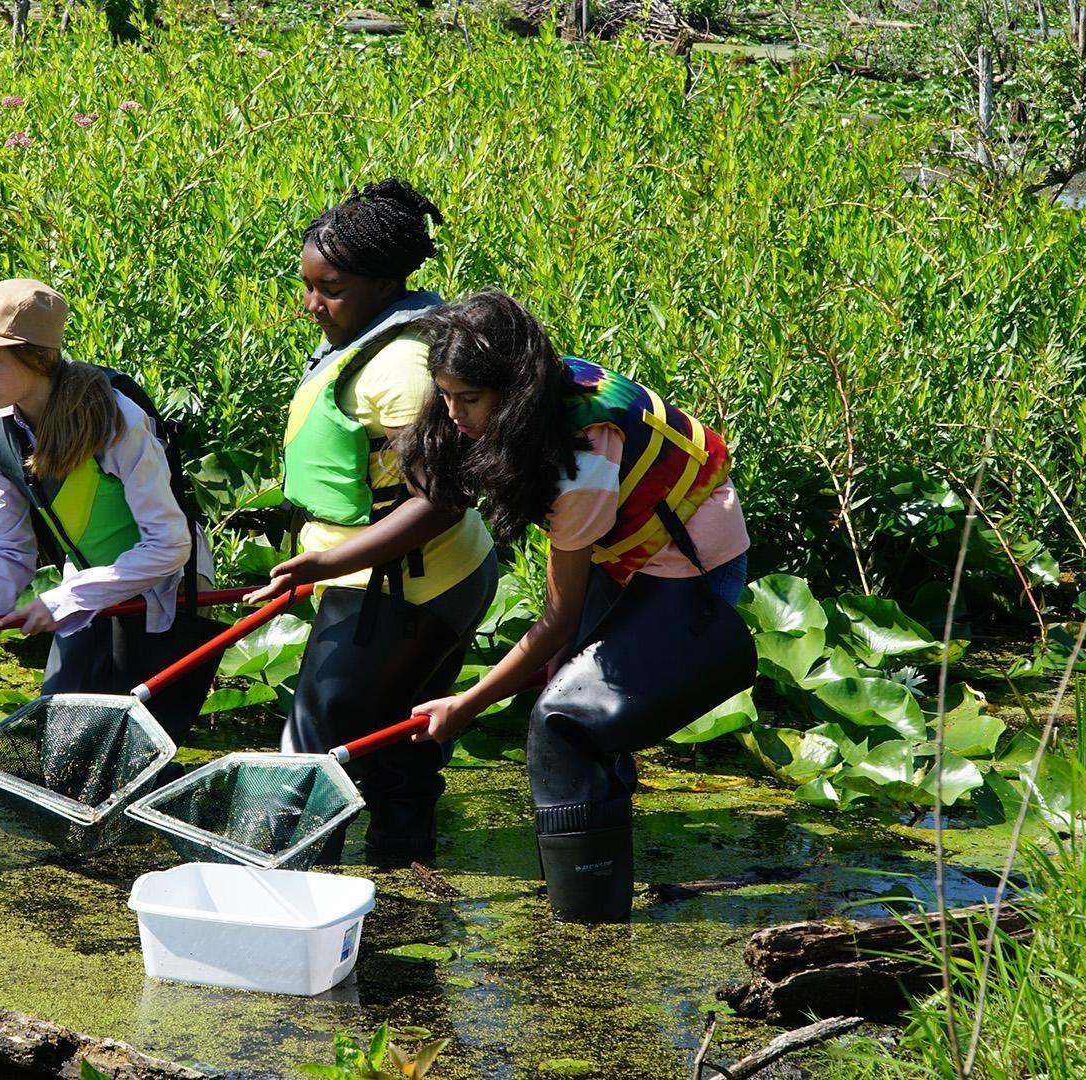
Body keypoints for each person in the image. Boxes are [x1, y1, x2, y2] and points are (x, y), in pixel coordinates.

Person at [302, 290, 756, 922]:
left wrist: (467, 703)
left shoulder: (579, 461)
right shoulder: (517, 394)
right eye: (447, 396)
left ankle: (589, 927)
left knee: (567, 721)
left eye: (471, 400)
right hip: (616, 549)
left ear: (512, 392)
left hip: (684, 564)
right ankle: (584, 886)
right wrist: (326, 563)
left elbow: (556, 620)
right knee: (577, 703)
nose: (455, 414)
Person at [248, 180, 499, 869]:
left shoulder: (407, 370)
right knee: (397, 747)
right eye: (305, 284)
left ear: (386, 280)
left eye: (330, 288)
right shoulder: (376, 335)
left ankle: (298, 895)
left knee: (312, 753)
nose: (311, 304)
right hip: (403, 577)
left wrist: (325, 565)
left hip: (401, 589)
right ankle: (403, 889)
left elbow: (442, 500)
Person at [0, 280, 216, 742]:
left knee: (135, 748)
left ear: (39, 358)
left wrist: (66, 599)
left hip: (164, 592)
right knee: (62, 738)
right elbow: (10, 544)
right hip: (85, 585)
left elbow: (170, 545)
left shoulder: (117, 420)